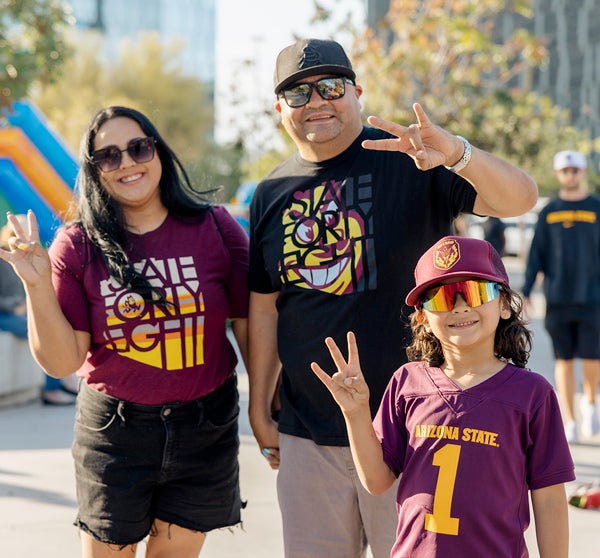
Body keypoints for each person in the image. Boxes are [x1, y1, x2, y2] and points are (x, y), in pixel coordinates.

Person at [248, 38, 538, 557]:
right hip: (309, 431)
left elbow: (520, 198)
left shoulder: (412, 161)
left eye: (331, 86)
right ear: (279, 109)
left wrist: (458, 154)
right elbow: (266, 305)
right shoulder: (270, 192)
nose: (316, 101)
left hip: (415, 427)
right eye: (298, 93)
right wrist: (257, 406)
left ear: (357, 92)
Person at [0, 106, 249, 557]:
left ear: (158, 151)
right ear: (94, 172)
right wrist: (35, 283)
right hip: (116, 434)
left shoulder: (215, 227)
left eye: (138, 148)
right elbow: (61, 362)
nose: (128, 163)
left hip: (204, 426)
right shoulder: (77, 245)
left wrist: (268, 410)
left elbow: (253, 321)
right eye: (109, 156)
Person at [312, 235, 575, 557]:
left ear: (505, 305)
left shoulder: (532, 394)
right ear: (422, 316)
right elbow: (377, 481)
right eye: (442, 297)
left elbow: (548, 497)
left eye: (477, 292)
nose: (460, 306)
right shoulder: (407, 382)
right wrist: (355, 413)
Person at [522, 150, 600, 444]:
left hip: (593, 297)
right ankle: (569, 420)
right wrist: (527, 289)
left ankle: (590, 402)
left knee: (593, 357)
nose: (570, 175)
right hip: (558, 298)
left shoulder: (596, 208)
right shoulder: (550, 211)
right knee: (564, 360)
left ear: (583, 173)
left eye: (575, 170)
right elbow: (535, 255)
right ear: (558, 174)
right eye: (565, 170)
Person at [0, 217, 76, 405]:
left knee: (52, 326)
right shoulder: (3, 258)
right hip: (6, 314)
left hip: (20, 309)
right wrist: (15, 307)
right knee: (42, 334)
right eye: (20, 231)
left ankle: (63, 381)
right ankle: (53, 390)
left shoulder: (31, 254)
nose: (24, 236)